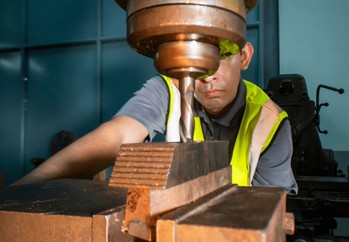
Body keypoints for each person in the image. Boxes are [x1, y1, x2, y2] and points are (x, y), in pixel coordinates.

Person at [11, 40, 298, 194]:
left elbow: (268, 210)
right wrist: (18, 194)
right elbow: (117, 135)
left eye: (221, 53)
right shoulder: (169, 89)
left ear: (244, 57)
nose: (209, 74)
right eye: (195, 57)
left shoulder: (269, 122)